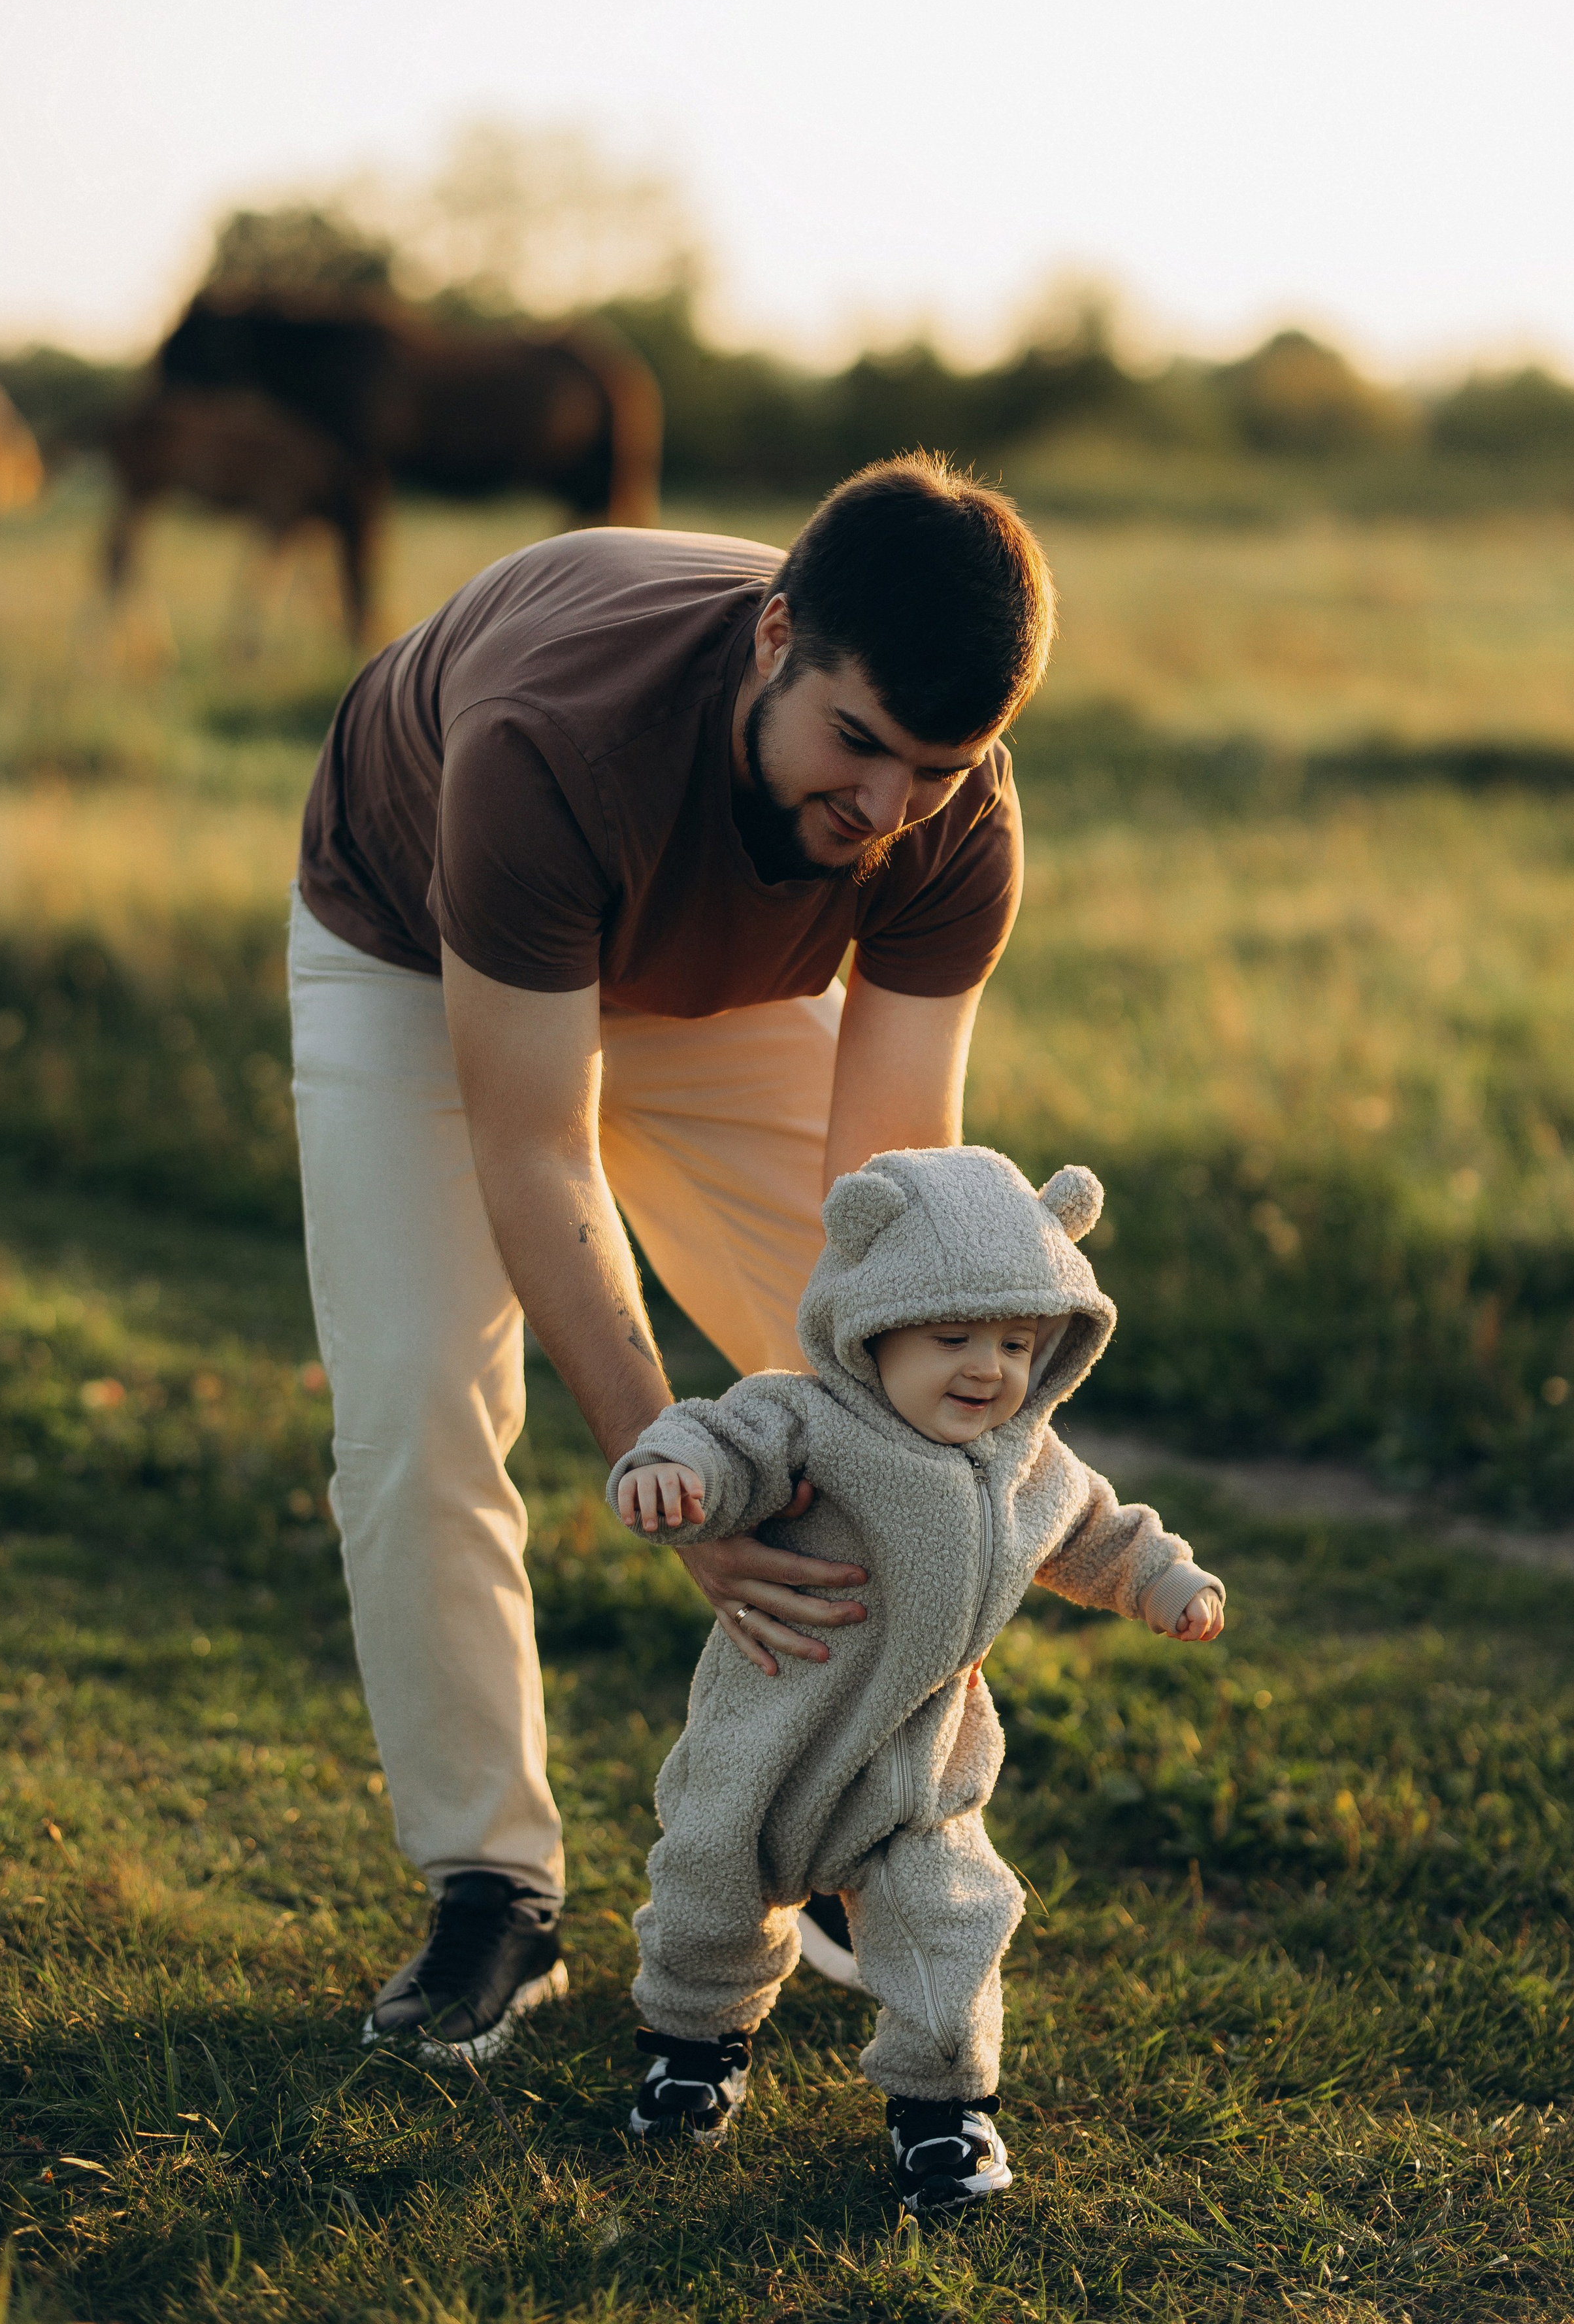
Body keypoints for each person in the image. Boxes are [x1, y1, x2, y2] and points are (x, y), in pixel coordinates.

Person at [289, 453, 1055, 2061]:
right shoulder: (546, 742)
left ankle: (851, 1821)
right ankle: (491, 1890)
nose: (880, 810)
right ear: (774, 638)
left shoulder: (942, 814)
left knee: (901, 1395)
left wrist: (889, 1410)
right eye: (854, 746)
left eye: (933, 768)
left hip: (710, 992)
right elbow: (535, 1147)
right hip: (423, 953)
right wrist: (675, 1469)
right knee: (420, 1396)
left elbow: (887, 1206)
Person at [607, 1146, 1226, 2212]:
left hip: (920, 1769)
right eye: (951, 1338)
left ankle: (943, 2114)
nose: (987, 1367)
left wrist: (1162, 1578)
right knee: (708, 1891)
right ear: (873, 1326)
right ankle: (693, 2049)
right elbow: (720, 1443)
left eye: (1018, 1342)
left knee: (952, 1925)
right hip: (773, 1736)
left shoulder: (1032, 1460)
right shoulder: (807, 1419)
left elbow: (1096, 1532)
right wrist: (674, 1477)